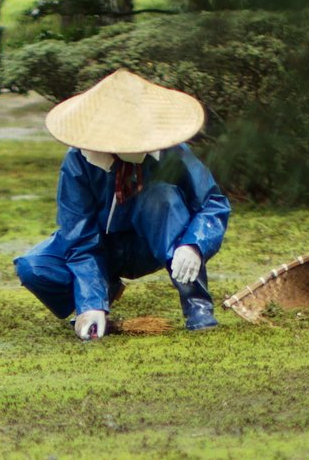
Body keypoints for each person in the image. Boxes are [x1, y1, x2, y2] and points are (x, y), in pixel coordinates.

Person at [14, 69, 232, 338]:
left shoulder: (171, 152)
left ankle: (197, 306)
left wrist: (194, 245)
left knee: (161, 198)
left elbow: (212, 203)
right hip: (103, 246)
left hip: (155, 243)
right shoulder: (79, 161)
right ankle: (100, 298)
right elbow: (78, 236)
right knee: (34, 267)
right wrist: (90, 303)